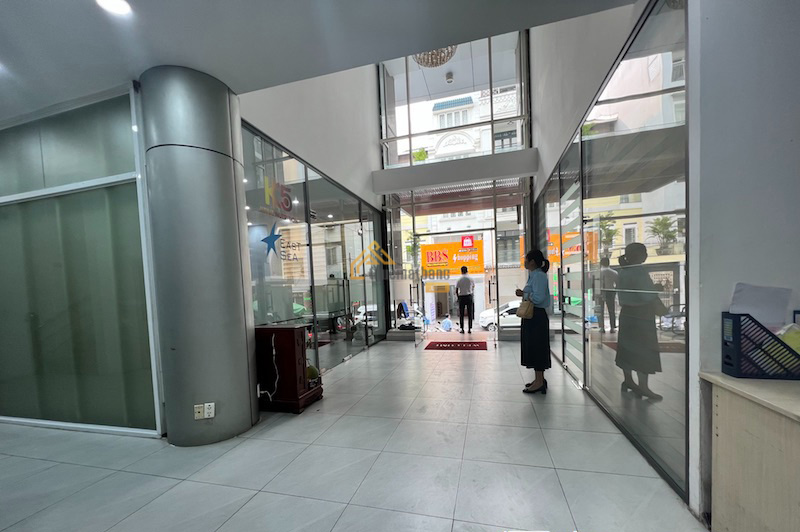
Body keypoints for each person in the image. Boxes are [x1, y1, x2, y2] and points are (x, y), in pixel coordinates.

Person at [615, 243, 668, 401]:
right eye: (644, 252)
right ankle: (643, 386)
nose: (646, 255)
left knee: (626, 350)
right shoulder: (639, 271)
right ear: (638, 255)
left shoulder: (623, 272)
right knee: (644, 351)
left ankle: (628, 381)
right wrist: (657, 288)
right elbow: (646, 295)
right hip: (642, 315)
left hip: (626, 314)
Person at [516, 250, 551, 394]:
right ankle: (538, 379)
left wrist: (523, 294)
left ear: (532, 262)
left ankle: (539, 382)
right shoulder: (533, 275)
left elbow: (538, 298)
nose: (524, 262)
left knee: (538, 347)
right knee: (533, 347)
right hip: (532, 316)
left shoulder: (539, 276)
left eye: (526, 259)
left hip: (537, 316)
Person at [597, 257, 619, 333]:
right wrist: (615, 291)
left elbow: (595, 284)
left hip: (599, 292)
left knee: (600, 311)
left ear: (601, 263)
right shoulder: (614, 272)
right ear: (609, 263)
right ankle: (612, 327)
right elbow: (617, 284)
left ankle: (601, 327)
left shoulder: (597, 272)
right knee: (611, 310)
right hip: (610, 292)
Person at [456, 266, 475, 334]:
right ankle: (470, 329)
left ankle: (462, 329)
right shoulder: (470, 278)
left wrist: (458, 297)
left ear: (461, 271)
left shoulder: (459, 279)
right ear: (467, 270)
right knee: (470, 313)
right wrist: (470, 292)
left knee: (461, 314)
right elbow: (473, 287)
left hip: (462, 297)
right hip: (469, 296)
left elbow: (456, 290)